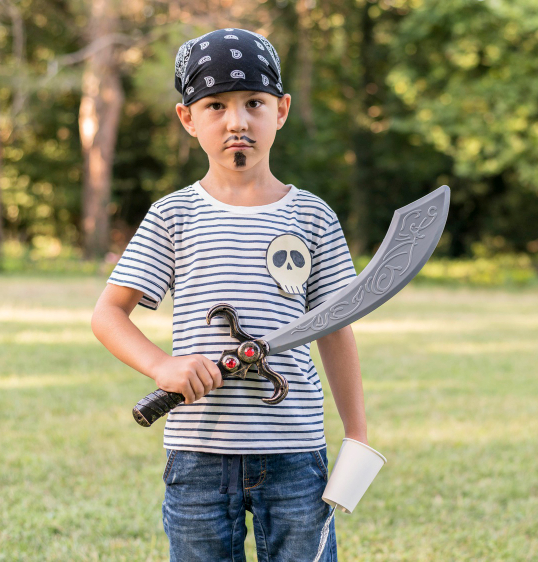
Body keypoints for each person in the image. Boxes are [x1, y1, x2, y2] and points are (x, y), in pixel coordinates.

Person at [91, 27, 365, 562]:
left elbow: (335, 325)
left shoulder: (312, 215)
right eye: (215, 105)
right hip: (198, 453)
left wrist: (356, 432)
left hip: (294, 452)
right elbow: (108, 315)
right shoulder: (173, 215)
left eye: (254, 103)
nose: (237, 120)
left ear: (280, 111)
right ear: (188, 119)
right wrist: (160, 366)